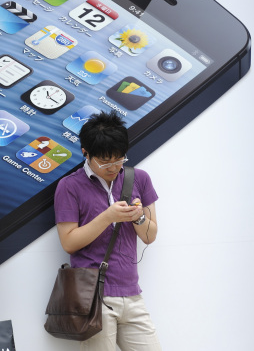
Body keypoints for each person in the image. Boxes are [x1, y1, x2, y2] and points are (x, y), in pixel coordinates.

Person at [54, 110, 160, 350]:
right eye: (104, 161)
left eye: (119, 159)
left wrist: (138, 217)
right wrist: (108, 217)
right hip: (93, 297)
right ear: (86, 153)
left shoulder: (139, 179)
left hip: (132, 293)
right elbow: (69, 242)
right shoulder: (69, 186)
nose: (113, 167)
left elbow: (150, 236)